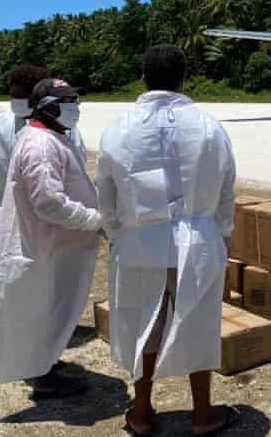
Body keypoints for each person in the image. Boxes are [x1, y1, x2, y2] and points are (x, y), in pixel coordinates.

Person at [96, 45, 238, 436]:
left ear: (143, 78)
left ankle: (141, 413)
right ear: (183, 79)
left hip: (139, 242)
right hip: (198, 240)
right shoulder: (210, 127)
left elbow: (105, 193)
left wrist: (115, 233)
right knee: (198, 322)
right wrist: (222, 235)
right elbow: (227, 188)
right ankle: (202, 413)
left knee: (142, 322)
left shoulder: (118, 128)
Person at [0, 78, 103, 399]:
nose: (76, 107)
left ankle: (44, 362)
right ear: (49, 107)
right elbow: (48, 202)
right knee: (39, 308)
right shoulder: (41, 146)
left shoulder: (50, 137)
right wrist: (93, 220)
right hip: (41, 245)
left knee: (45, 306)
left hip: (49, 244)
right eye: (69, 101)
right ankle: (41, 376)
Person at [0, 65, 87, 235]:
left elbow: (78, 171)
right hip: (7, 214)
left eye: (23, 97)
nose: (17, 102)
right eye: (14, 97)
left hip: (50, 215)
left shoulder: (64, 127)